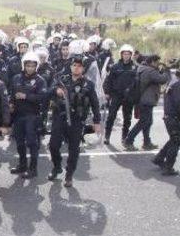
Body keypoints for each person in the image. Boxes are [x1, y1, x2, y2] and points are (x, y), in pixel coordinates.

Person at [48, 56, 101, 187]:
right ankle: (57, 166)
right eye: (74, 65)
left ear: (83, 69)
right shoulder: (61, 80)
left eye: (79, 66)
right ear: (70, 66)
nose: (76, 68)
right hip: (60, 118)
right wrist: (56, 90)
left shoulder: (88, 84)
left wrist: (97, 122)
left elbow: (95, 104)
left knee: (74, 149)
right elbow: (48, 92)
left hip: (77, 120)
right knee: (53, 145)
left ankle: (69, 174)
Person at [9, 52, 47, 178]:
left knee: (32, 142)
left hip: (32, 115)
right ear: (23, 65)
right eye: (28, 65)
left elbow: (42, 97)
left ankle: (33, 168)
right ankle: (22, 164)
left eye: (32, 66)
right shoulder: (16, 78)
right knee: (19, 142)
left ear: (36, 66)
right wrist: (11, 104)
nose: (30, 68)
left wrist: (26, 96)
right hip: (18, 115)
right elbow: (12, 94)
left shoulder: (40, 80)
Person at [123, 55, 171, 151]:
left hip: (143, 100)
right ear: (152, 62)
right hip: (146, 100)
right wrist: (167, 70)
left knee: (147, 122)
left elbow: (156, 77)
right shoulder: (150, 71)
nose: (158, 64)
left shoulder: (143, 68)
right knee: (144, 122)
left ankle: (146, 142)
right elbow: (162, 79)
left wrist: (161, 69)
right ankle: (128, 141)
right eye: (157, 62)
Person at [103, 44, 138, 144]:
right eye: (124, 54)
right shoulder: (115, 66)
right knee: (111, 116)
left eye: (128, 54)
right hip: (116, 95)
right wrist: (107, 92)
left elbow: (137, 83)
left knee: (127, 118)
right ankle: (107, 136)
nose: (126, 56)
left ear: (131, 55)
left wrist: (135, 96)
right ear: (121, 55)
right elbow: (108, 81)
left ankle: (124, 137)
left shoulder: (135, 67)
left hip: (129, 97)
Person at [153, 72, 180, 175]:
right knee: (176, 142)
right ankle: (168, 167)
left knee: (174, 139)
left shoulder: (173, 84)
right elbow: (178, 104)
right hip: (174, 118)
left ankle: (159, 158)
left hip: (170, 117)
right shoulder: (177, 86)